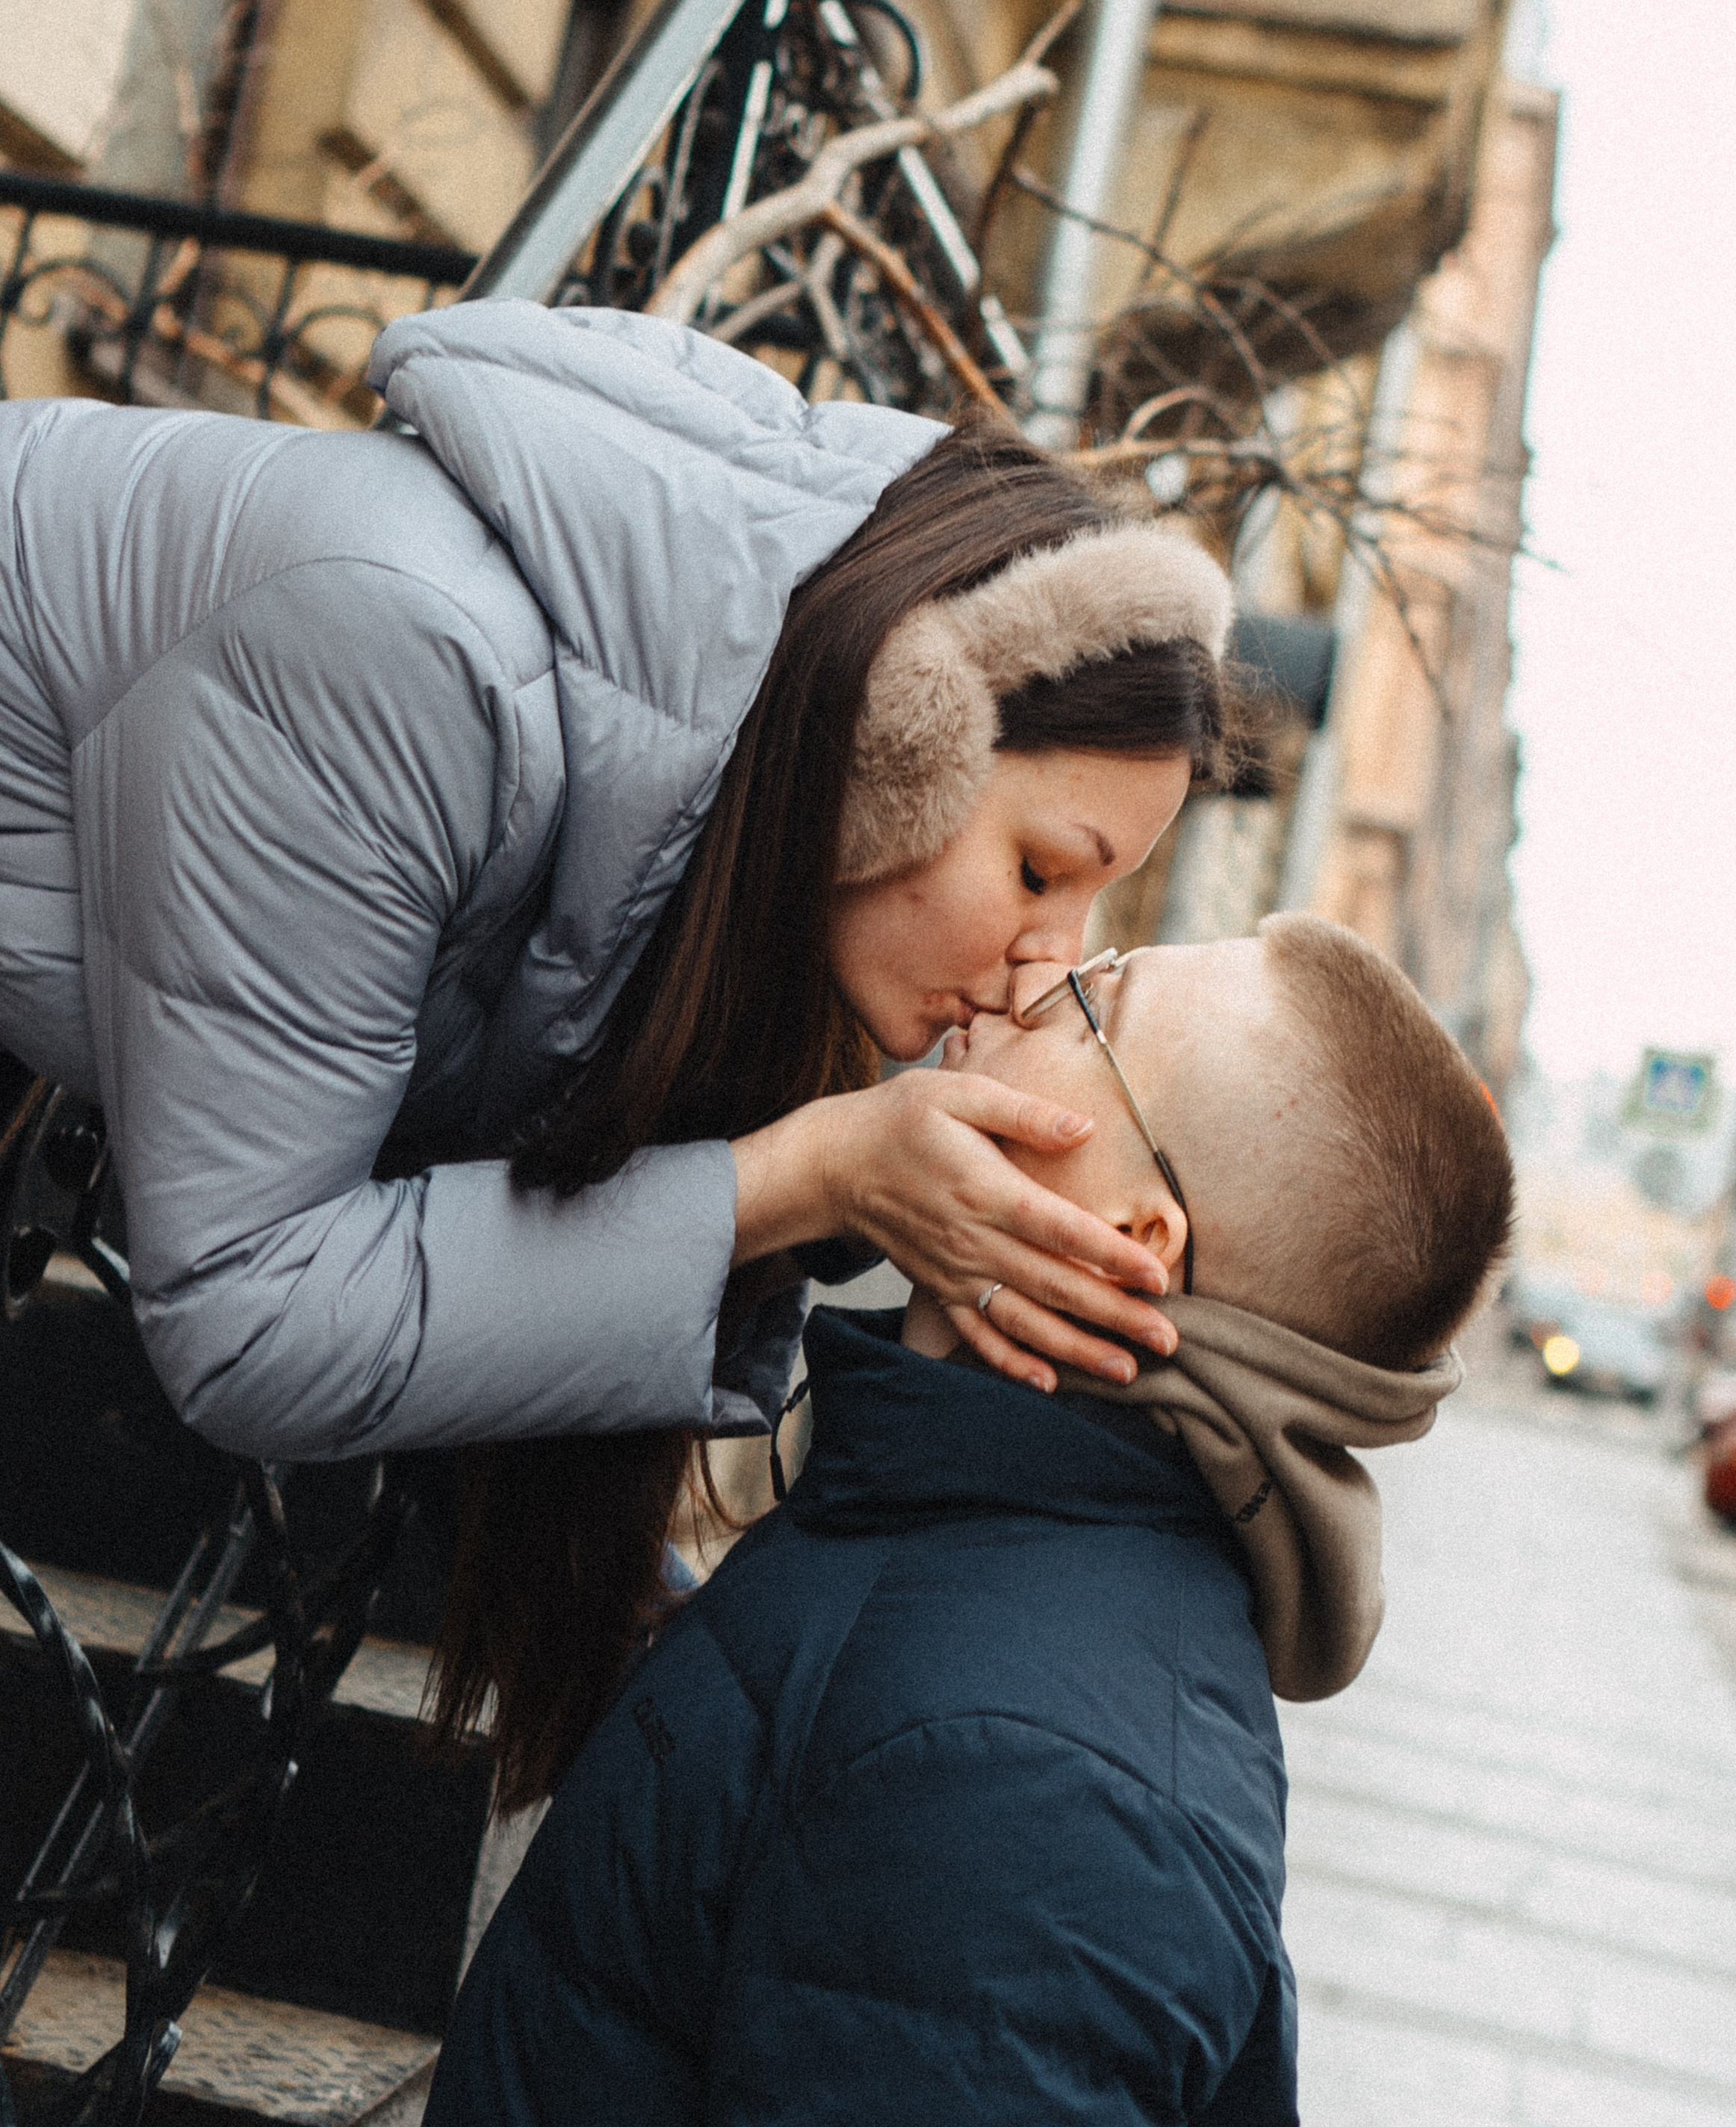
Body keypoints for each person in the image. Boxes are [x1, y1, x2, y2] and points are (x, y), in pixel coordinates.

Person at [0, 301, 1236, 1759]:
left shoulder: (680, 802)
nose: (1049, 965)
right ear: (896, 742)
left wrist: (859, 1190)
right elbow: (250, 1317)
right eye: (1040, 873)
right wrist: (804, 1177)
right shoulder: (404, 655)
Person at [428, 914, 1515, 2123]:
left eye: (1098, 999)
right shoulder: (960, 1545)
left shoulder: (1035, 1789)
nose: (1031, 974)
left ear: (1128, 1240)